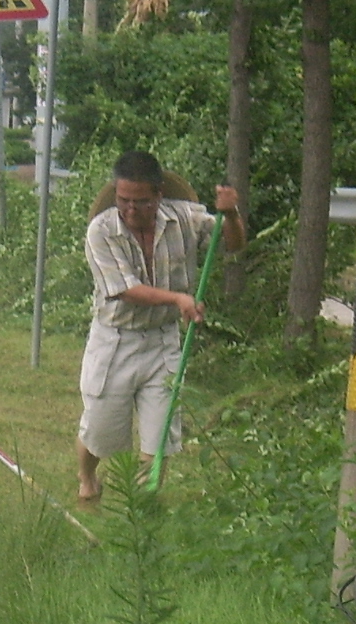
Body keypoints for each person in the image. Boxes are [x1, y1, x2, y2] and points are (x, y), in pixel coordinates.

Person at [76, 150, 245, 502]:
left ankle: (142, 503)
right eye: (123, 200)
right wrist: (178, 299)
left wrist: (230, 214)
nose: (131, 209)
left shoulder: (185, 218)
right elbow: (124, 289)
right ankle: (87, 477)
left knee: (159, 437)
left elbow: (233, 244)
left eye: (141, 202)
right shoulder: (101, 230)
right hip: (115, 341)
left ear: (159, 195)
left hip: (163, 341)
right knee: (100, 431)